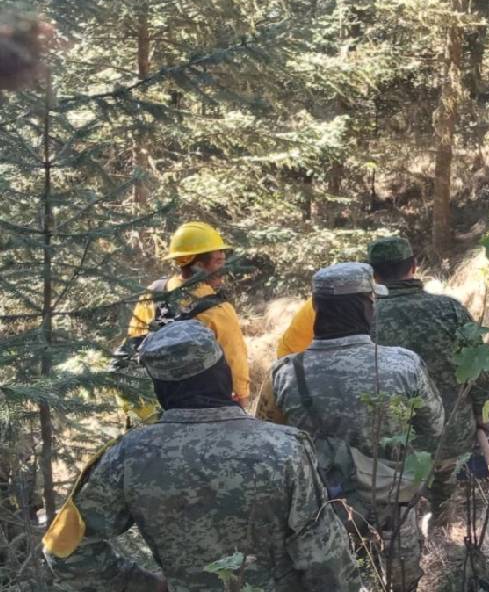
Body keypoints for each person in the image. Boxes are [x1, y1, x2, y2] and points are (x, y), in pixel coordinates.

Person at [43, 320, 362, 592]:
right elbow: (325, 559)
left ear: (160, 389)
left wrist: (145, 585)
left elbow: (63, 549)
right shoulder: (286, 448)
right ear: (223, 374)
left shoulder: (126, 456)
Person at [271, 262, 444, 591]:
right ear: (367, 307)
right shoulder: (403, 364)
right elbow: (435, 428)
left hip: (319, 525)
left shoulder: (285, 373)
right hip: (392, 516)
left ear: (317, 308)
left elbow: (271, 444)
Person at [368, 237, 489, 517]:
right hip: (452, 433)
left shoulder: (366, 317)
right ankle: (443, 529)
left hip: (396, 441)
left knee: (404, 508)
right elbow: (478, 368)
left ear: (374, 274)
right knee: (444, 496)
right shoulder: (449, 309)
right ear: (414, 267)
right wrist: (482, 416)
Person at [119, 221, 250, 417]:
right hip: (202, 409)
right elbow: (236, 362)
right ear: (198, 266)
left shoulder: (153, 293)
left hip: (151, 408)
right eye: (218, 261)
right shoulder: (218, 310)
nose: (224, 268)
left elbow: (133, 344)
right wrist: (242, 399)